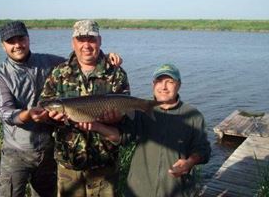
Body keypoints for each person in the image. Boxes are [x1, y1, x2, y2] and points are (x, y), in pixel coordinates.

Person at [0, 20, 122, 197]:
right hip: (17, 151)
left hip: (47, 149)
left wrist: (106, 57)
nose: (17, 45)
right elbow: (5, 112)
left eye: (21, 39)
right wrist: (28, 114)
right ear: (3, 45)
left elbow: (82, 58)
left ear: (28, 39)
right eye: (11, 42)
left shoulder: (49, 62)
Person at [80, 63, 211, 197]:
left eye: (169, 82)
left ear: (178, 85)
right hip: (138, 191)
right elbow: (121, 137)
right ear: (153, 85)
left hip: (177, 191)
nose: (164, 87)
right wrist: (96, 126)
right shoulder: (139, 110)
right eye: (159, 81)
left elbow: (203, 150)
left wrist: (189, 163)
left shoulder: (193, 116)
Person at [39, 20, 130, 197]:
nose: (86, 45)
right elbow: (44, 106)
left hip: (104, 165)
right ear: (73, 42)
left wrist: (116, 118)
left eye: (91, 39)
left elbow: (125, 116)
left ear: (100, 41)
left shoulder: (116, 73)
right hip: (68, 164)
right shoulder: (59, 72)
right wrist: (51, 117)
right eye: (81, 39)